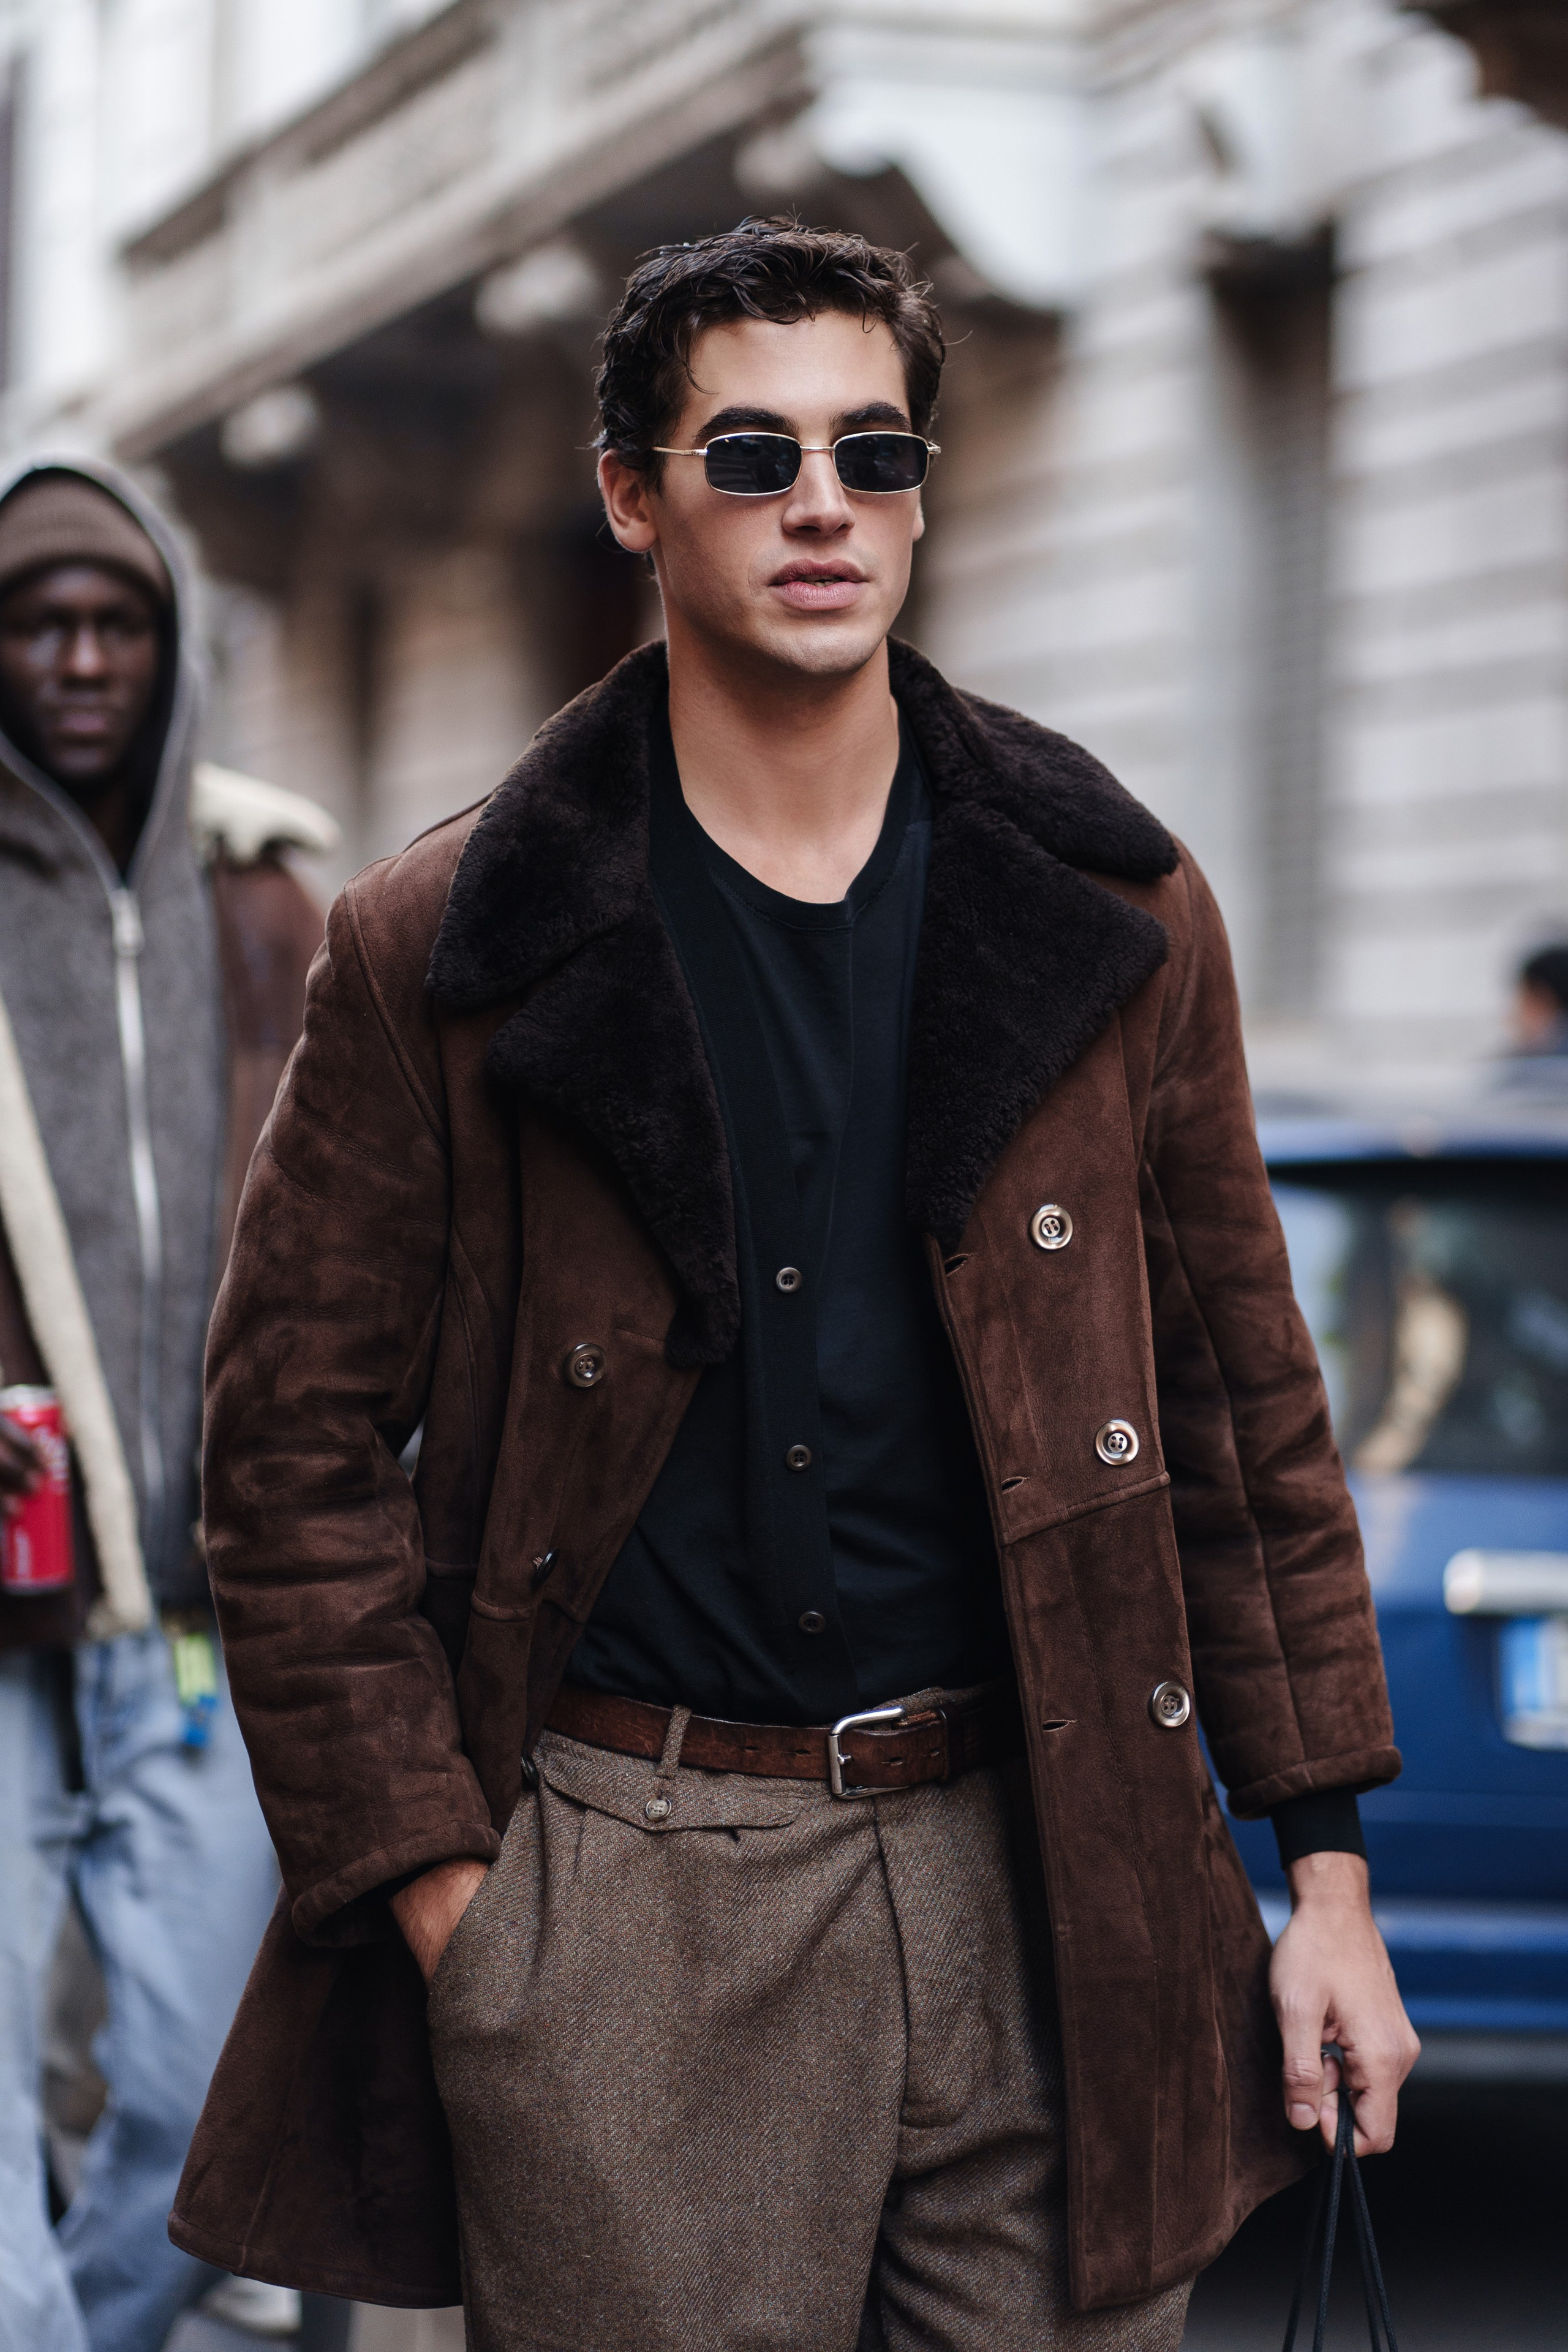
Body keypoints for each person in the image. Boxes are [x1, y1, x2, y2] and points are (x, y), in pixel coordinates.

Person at [173, 222, 1418, 2351]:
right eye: (751, 452)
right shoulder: (447, 944)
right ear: (632, 495)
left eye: (876, 449)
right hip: (631, 1886)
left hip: (1049, 1869)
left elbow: (1243, 1407)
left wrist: (1323, 1882)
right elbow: (285, 1462)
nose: (824, 502)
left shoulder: (1112, 904)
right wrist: (466, 1921)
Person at [0, 458, 331, 2352]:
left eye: (115, 623)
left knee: (218, 2106)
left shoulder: (266, 900)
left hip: (208, 1608)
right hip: (5, 1605)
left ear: (171, 648)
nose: (77, 658)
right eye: (38, 623)